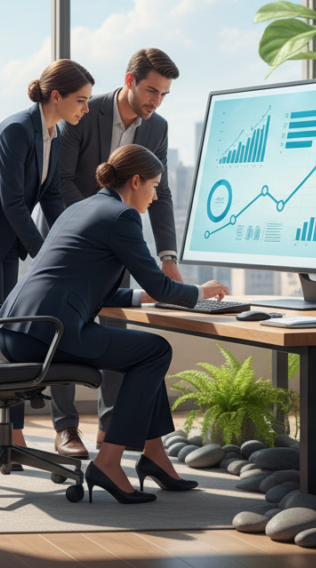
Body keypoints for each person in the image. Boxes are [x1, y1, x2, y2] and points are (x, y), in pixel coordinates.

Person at [0, 144, 229, 504]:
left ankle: (155, 457)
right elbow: (160, 284)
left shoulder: (82, 208)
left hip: (18, 329)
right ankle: (109, 462)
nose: (155, 196)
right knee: (154, 352)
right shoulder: (122, 216)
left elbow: (90, 290)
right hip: (49, 336)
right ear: (135, 181)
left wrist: (142, 297)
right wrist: (200, 291)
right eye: (153, 186)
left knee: (145, 352)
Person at [0, 59, 95, 448]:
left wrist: (68, 242)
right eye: (81, 100)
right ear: (55, 96)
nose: (86, 109)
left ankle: (14, 431)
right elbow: (12, 202)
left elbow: (52, 195)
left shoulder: (53, 133)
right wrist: (43, 256)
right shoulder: (15, 130)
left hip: (6, 237)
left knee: (9, 328)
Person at [50, 47, 184, 459]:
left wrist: (167, 255)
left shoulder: (156, 126)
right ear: (129, 81)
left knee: (116, 329)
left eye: (163, 94)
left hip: (120, 241)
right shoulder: (84, 111)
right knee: (62, 326)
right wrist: (95, 222)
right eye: (150, 90)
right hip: (74, 235)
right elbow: (61, 179)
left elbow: (160, 194)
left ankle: (110, 431)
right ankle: (65, 428)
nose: (155, 101)